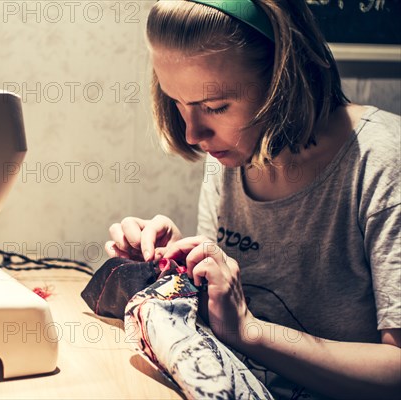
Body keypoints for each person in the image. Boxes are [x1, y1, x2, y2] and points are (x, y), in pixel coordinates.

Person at [105, 0, 400, 398]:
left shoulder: (383, 162)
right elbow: (222, 311)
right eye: (177, 102)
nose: (192, 133)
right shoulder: (229, 155)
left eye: (215, 107)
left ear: (284, 79)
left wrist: (250, 332)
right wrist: (175, 265)